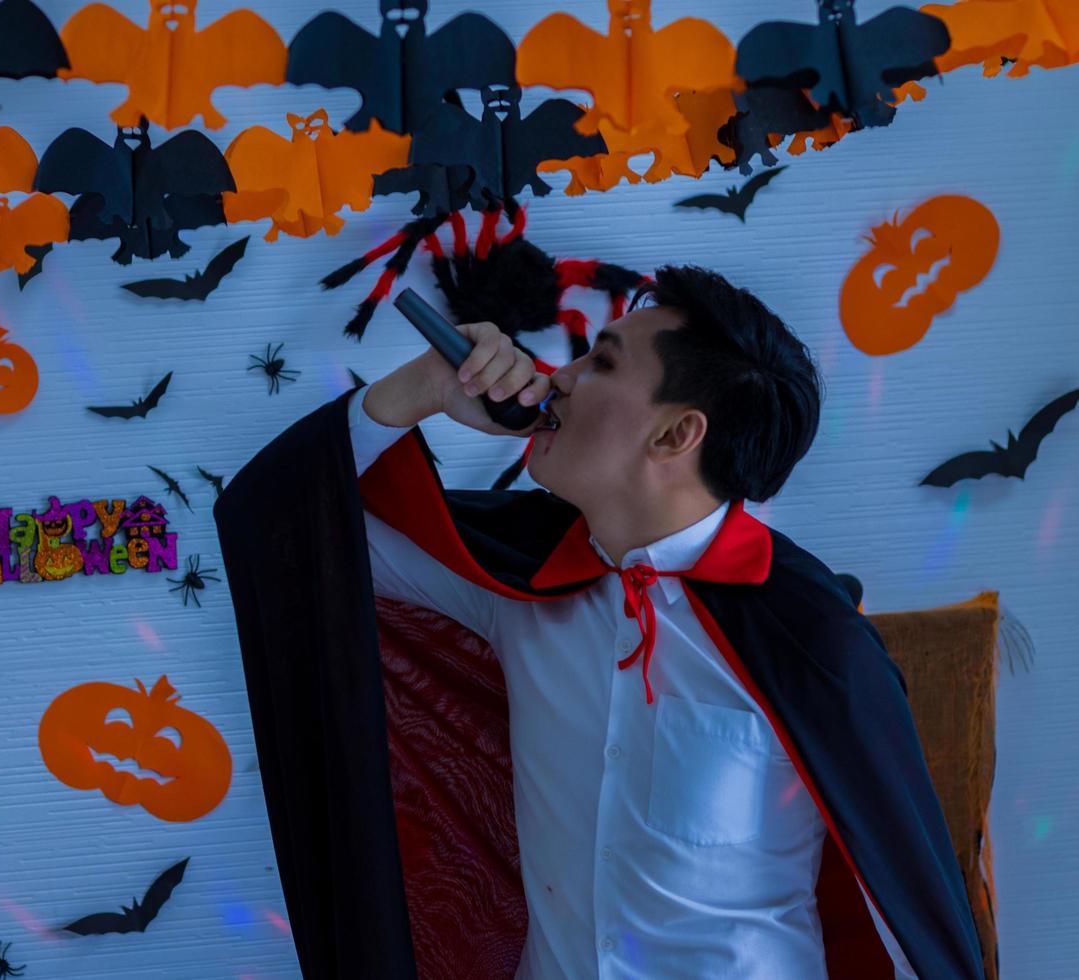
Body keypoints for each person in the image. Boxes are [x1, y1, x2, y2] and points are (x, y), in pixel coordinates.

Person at [215, 265, 984, 980]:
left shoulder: (809, 638)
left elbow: (898, 901)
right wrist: (421, 389)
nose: (557, 377)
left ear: (675, 435)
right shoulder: (513, 580)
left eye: (601, 364)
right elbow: (283, 533)